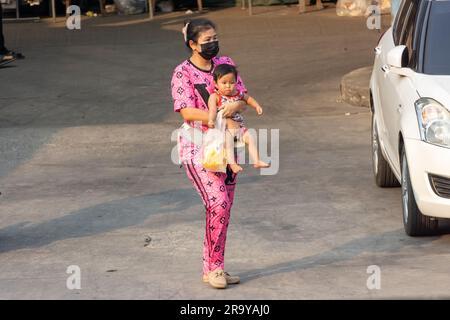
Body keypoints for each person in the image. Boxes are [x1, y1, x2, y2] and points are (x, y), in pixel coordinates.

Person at [171, 18, 247, 289]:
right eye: (207, 41)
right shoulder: (183, 73)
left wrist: (235, 104)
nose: (213, 44)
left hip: (228, 146)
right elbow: (186, 110)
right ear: (192, 44)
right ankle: (213, 268)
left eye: (215, 38)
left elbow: (242, 96)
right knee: (218, 204)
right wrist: (218, 115)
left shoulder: (225, 63)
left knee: (224, 208)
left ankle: (215, 267)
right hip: (198, 148)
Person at [208, 63, 270, 173]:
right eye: (224, 83)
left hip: (239, 127)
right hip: (226, 129)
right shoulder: (215, 97)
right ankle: (233, 164)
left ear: (236, 82)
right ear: (215, 84)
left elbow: (248, 99)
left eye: (232, 82)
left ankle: (256, 160)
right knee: (229, 143)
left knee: (251, 138)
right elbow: (212, 110)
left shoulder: (237, 94)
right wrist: (211, 120)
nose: (228, 86)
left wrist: (257, 106)